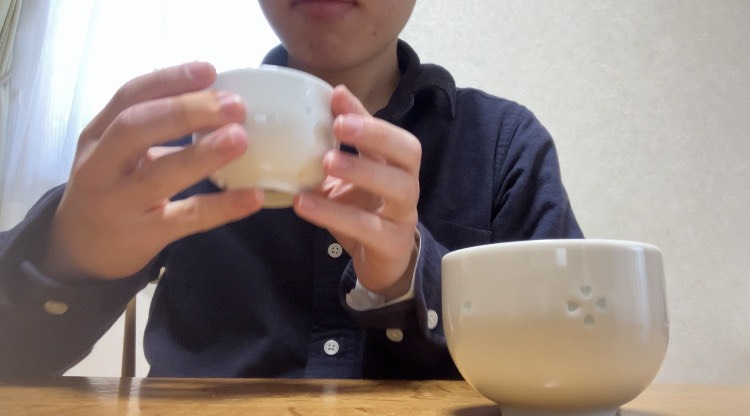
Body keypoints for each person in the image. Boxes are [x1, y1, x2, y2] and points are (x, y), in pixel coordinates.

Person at [0, 0, 582, 379]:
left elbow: (571, 361)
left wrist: (410, 279)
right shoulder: (178, 147)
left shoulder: (503, 145)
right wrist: (69, 257)